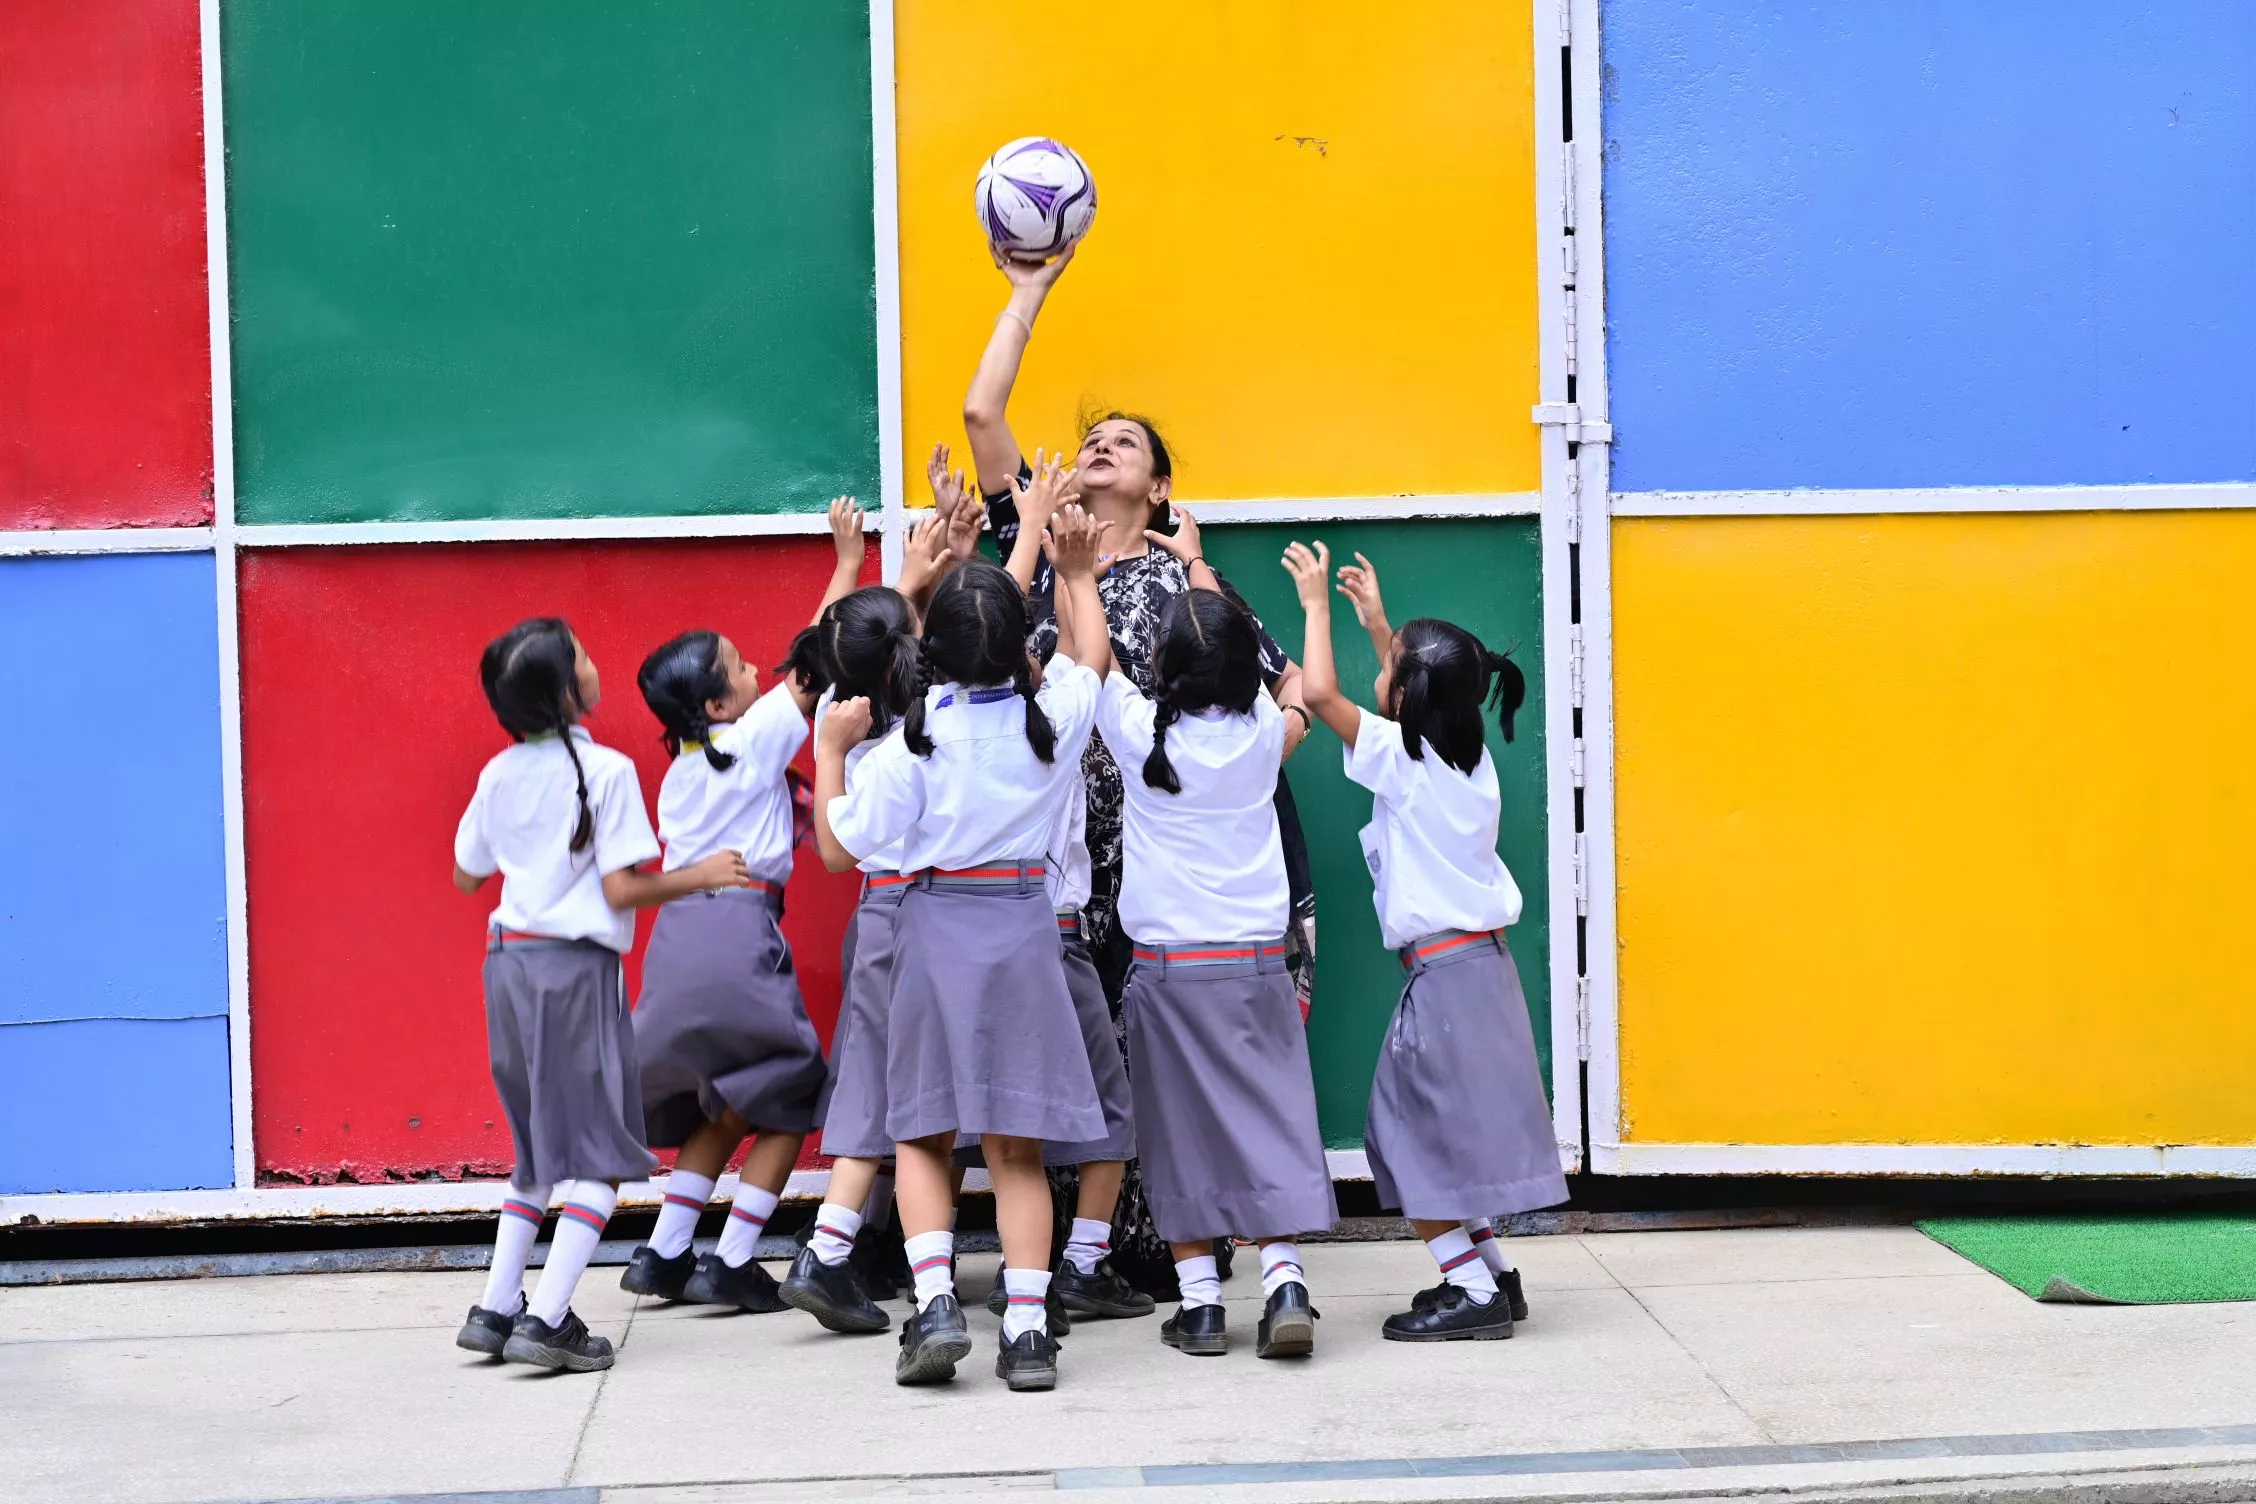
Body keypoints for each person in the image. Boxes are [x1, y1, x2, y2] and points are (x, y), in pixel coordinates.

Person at [964, 246, 1319, 1294]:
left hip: (1163, 869)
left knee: (1153, 1061)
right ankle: (1060, 1253)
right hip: (1051, 863)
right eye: (1092, 438)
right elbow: (984, 412)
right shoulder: (1035, 538)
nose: (1100, 445)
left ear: (1160, 488)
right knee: (1068, 1057)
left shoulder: (1190, 590)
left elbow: (1288, 694)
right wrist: (1029, 289)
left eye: (1125, 442)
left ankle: (1155, 1254)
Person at [813, 515, 1114, 1393]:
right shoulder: (1052, 720)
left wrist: (831, 752)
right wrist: (1077, 573)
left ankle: (938, 1302)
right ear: (1023, 648)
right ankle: (1028, 1330)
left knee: (920, 1132)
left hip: (934, 925)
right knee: (1017, 1148)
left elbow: (837, 850)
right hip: (1024, 927)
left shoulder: (912, 739)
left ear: (929, 652)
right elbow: (1092, 658)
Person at [1283, 542, 1568, 1341]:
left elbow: (1322, 694)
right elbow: (1412, 697)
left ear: (1405, 696)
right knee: (1441, 1137)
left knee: (1400, 1135)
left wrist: (1316, 606)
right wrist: (1380, 625)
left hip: (1446, 981)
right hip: (1477, 972)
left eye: (1392, 665)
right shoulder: (1467, 760)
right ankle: (1492, 1275)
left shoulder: (1401, 761)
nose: (1385, 671)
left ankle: (1471, 1289)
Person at [450, 618, 749, 1373]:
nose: (594, 662)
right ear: (563, 692)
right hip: (575, 971)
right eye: (582, 656)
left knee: (537, 1149)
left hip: (508, 964)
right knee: (598, 1157)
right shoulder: (607, 771)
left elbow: (466, 872)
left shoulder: (498, 772)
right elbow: (621, 889)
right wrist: (702, 874)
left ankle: (496, 1307)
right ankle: (548, 1320)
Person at [615, 498, 868, 1312]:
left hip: (679, 937)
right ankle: (731, 1258)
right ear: (718, 706)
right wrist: (847, 565)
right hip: (735, 930)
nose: (757, 667)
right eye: (738, 666)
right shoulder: (748, 741)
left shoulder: (684, 769)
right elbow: (813, 663)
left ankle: (663, 1253)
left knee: (725, 1102)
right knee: (790, 1099)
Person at [1094, 587, 1339, 1360]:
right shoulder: (1263, 732)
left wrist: (1075, 572)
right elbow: (1296, 688)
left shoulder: (1139, 734)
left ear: (1160, 666)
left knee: (1176, 1133)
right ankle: (1285, 1283)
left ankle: (1200, 1305)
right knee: (1271, 1123)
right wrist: (1201, 565)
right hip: (1256, 968)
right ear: (1243, 671)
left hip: (1169, 975)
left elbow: (1095, 663)